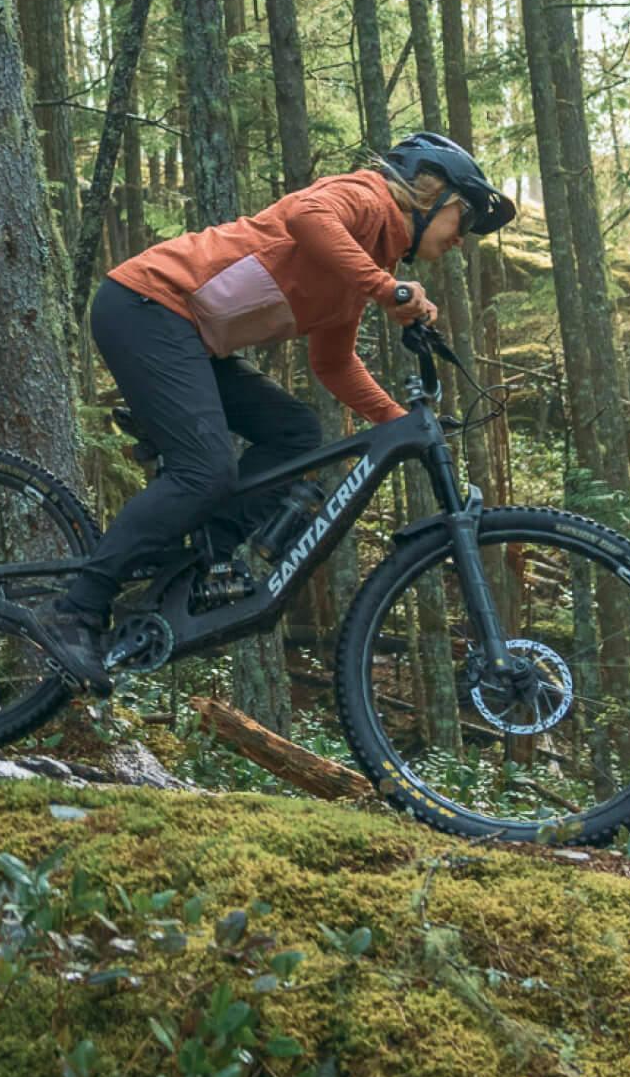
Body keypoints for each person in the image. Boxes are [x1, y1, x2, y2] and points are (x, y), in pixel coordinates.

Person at [30, 132, 516, 692]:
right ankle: (74, 610)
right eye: (464, 218)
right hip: (146, 305)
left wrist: (394, 420)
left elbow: (333, 363)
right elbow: (307, 215)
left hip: (185, 335)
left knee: (295, 431)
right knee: (206, 470)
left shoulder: (364, 266)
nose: (463, 239)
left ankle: (200, 546)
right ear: (431, 193)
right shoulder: (368, 198)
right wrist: (388, 290)